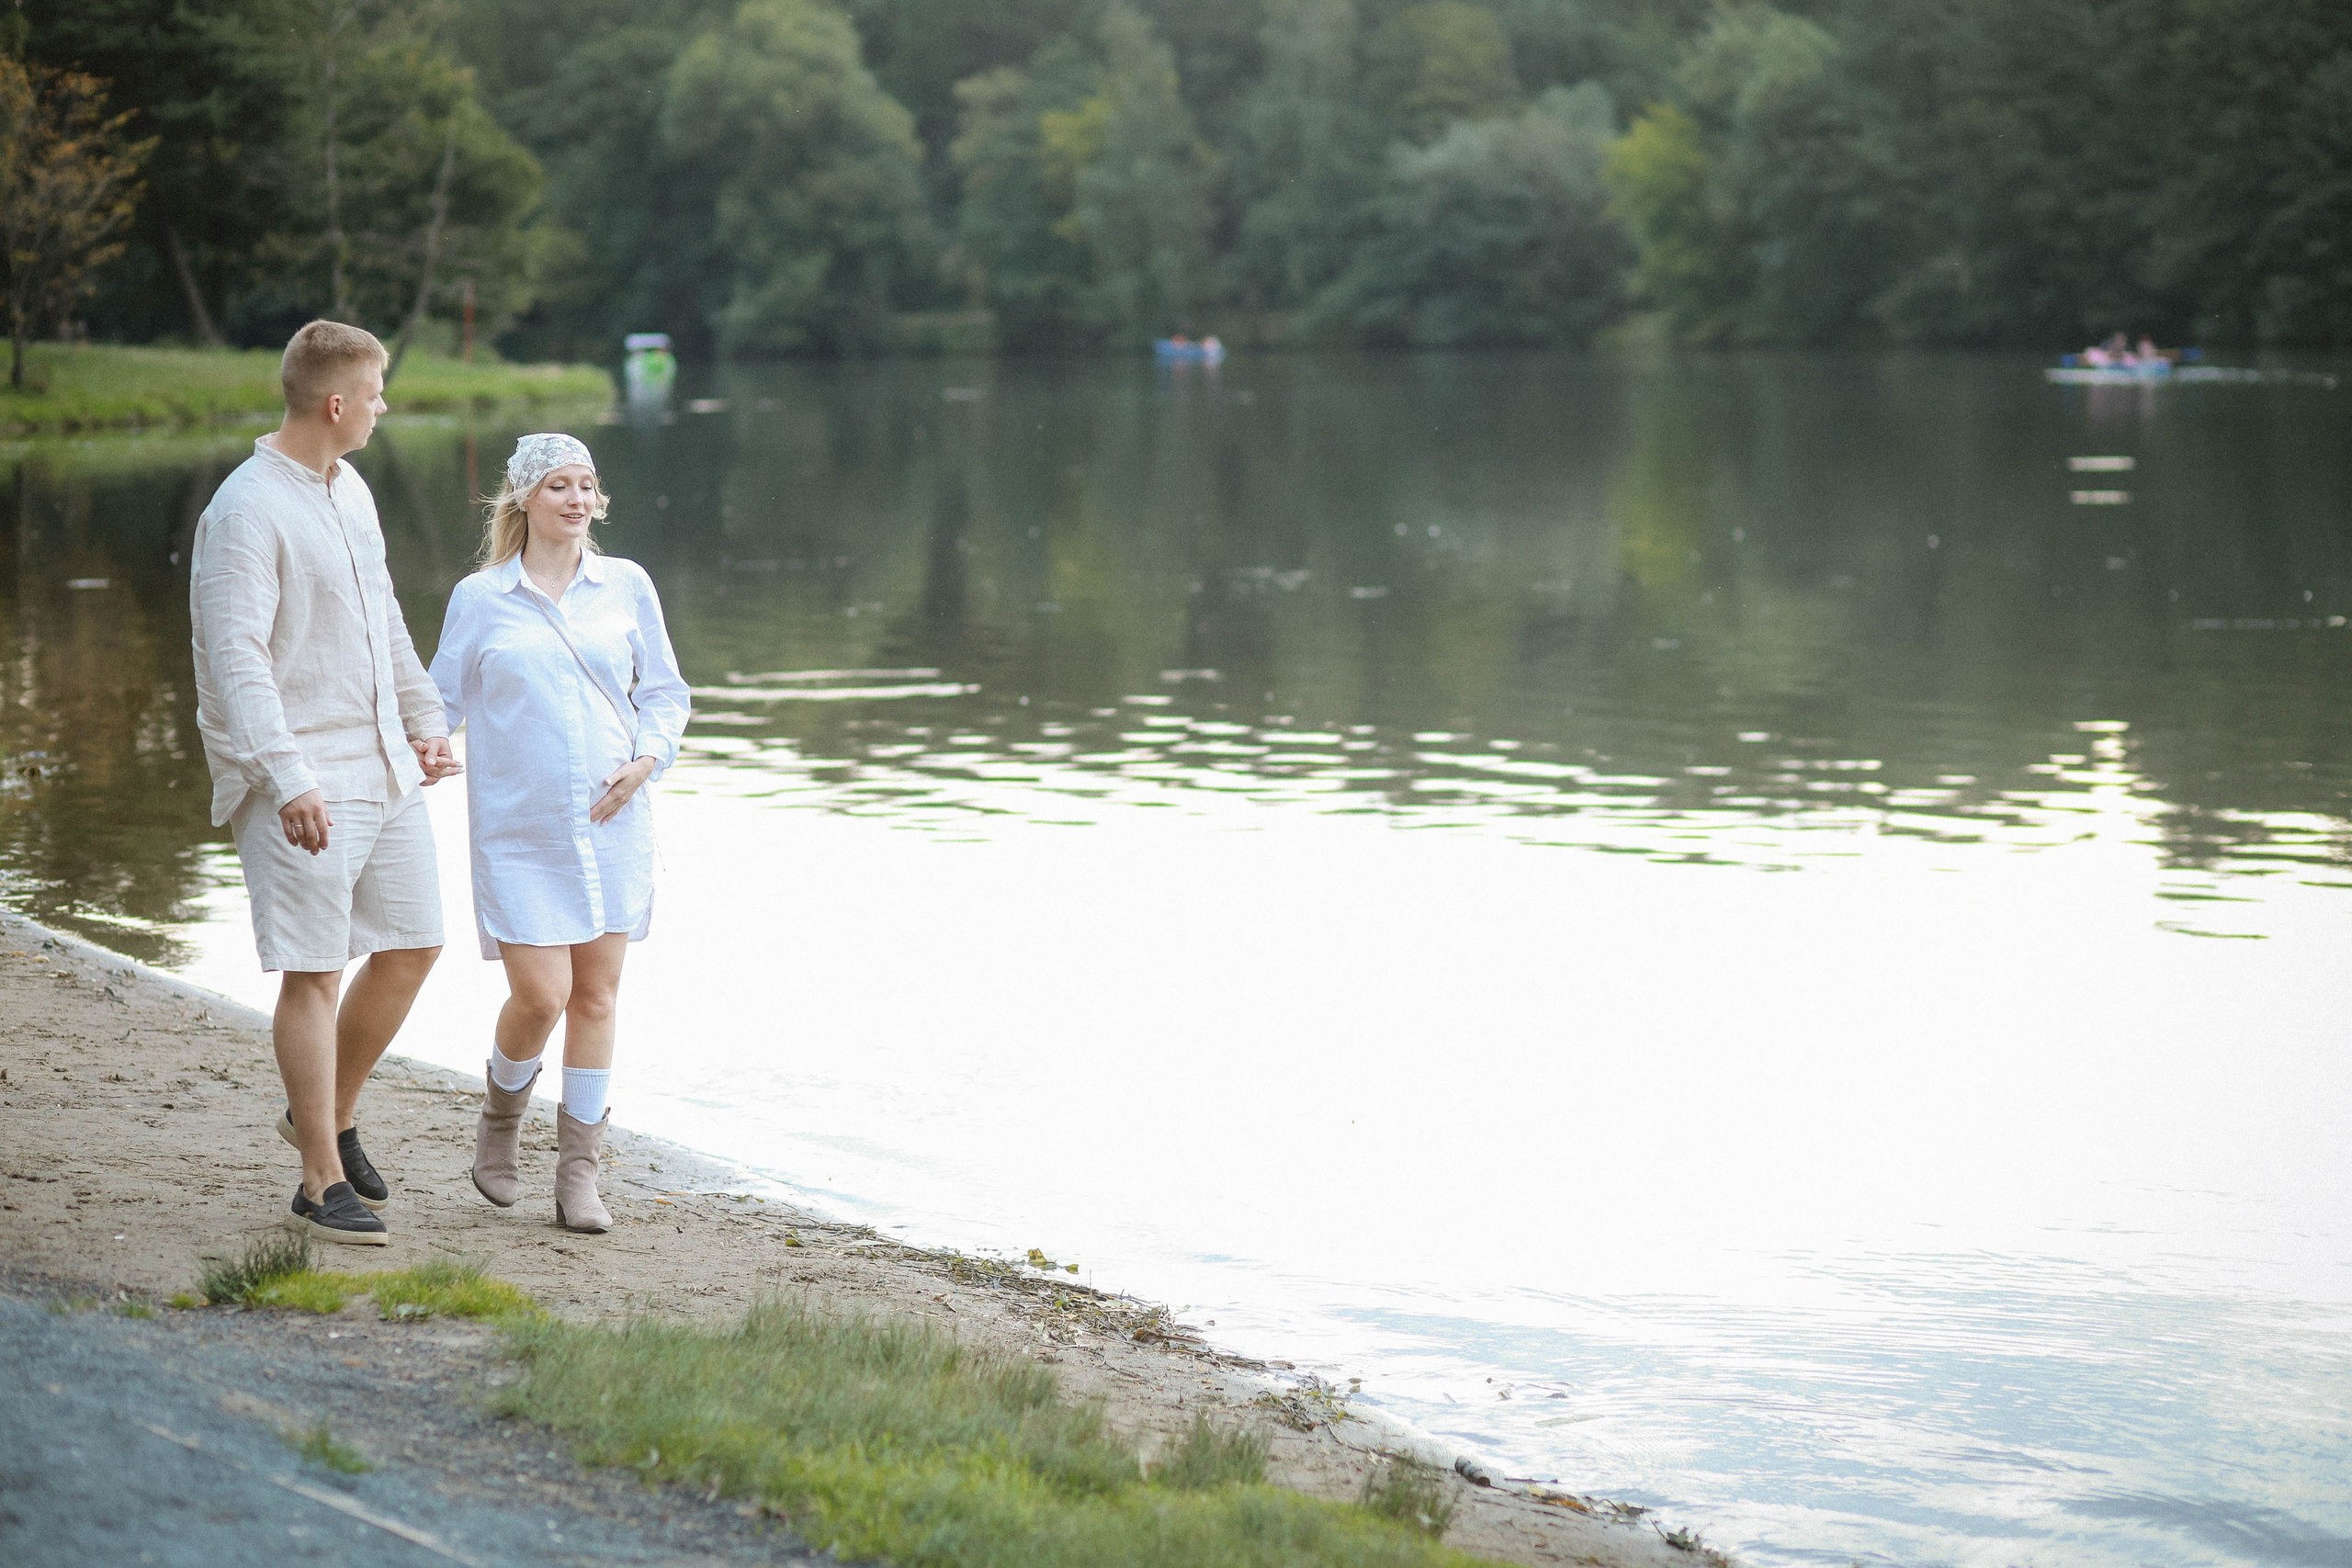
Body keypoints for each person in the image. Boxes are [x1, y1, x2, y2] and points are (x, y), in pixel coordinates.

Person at [189, 319, 461, 1247]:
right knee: (315, 971)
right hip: (296, 772)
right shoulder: (246, 509)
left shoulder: (352, 490)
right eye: (377, 391)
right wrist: (287, 775)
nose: (385, 405)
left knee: (417, 941)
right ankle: (318, 1177)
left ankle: (328, 1113)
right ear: (336, 403)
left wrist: (423, 722)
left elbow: (383, 616)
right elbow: (236, 660)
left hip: (381, 760)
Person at [430, 434, 689, 1233]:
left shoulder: (628, 586)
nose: (577, 500)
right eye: (559, 487)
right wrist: (423, 747)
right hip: (518, 829)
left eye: (587, 486)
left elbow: (668, 693)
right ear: (524, 501)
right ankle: (501, 1121)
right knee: (541, 994)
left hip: (611, 821)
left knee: (597, 995)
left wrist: (649, 759)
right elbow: (440, 702)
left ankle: (580, 1172)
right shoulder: (481, 599)